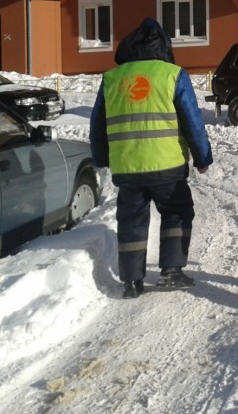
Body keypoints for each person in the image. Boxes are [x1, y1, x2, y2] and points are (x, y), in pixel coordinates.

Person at [90, 18, 213, 299]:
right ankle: (172, 271)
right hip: (167, 166)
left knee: (131, 220)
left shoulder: (112, 78)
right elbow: (192, 120)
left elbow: (97, 124)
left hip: (127, 167)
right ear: (164, 48)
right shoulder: (172, 75)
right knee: (176, 212)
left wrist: (101, 158)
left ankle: (132, 281)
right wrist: (202, 157)